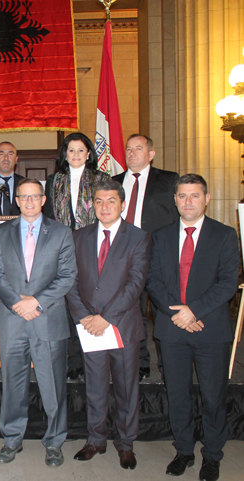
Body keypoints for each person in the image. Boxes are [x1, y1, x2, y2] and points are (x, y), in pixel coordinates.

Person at [146, 174, 239, 481]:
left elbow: (228, 283)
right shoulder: (160, 236)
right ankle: (184, 449)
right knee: (178, 394)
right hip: (172, 330)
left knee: (213, 396)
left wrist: (193, 311)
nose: (188, 202)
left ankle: (212, 454)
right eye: (182, 196)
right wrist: (179, 314)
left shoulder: (225, 235)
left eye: (194, 196)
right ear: (175, 200)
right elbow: (153, 281)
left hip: (209, 329)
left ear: (206, 198)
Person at [0, 178, 76, 468]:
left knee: (53, 387)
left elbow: (67, 275)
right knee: (13, 385)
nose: (28, 201)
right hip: (13, 321)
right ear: (16, 200)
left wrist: (35, 302)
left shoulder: (61, 232)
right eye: (23, 196)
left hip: (47, 318)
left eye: (34, 196)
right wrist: (18, 303)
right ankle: (12, 440)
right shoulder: (2, 232)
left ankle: (54, 442)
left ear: (43, 199)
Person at [66, 179, 151, 470]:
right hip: (89, 327)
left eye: (111, 201)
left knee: (127, 388)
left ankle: (125, 444)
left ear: (123, 204)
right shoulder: (79, 236)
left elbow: (135, 284)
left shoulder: (138, 237)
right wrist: (84, 317)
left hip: (122, 326)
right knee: (95, 387)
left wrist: (105, 318)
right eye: (99, 201)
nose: (104, 207)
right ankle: (95, 439)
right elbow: (70, 281)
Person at [113, 134, 180, 380]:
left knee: (165, 310)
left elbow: (178, 217)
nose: (131, 153)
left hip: (161, 256)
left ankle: (168, 365)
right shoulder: (114, 182)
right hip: (127, 257)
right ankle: (140, 363)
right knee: (133, 311)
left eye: (138, 149)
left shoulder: (169, 180)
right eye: (128, 149)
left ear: (150, 154)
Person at [44, 132, 109, 381]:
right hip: (62, 247)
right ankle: (73, 361)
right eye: (71, 150)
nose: (76, 155)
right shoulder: (55, 180)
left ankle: (93, 358)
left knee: (90, 299)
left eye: (81, 150)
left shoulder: (101, 179)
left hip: (92, 245)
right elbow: (49, 216)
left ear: (89, 153)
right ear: (65, 154)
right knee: (68, 301)